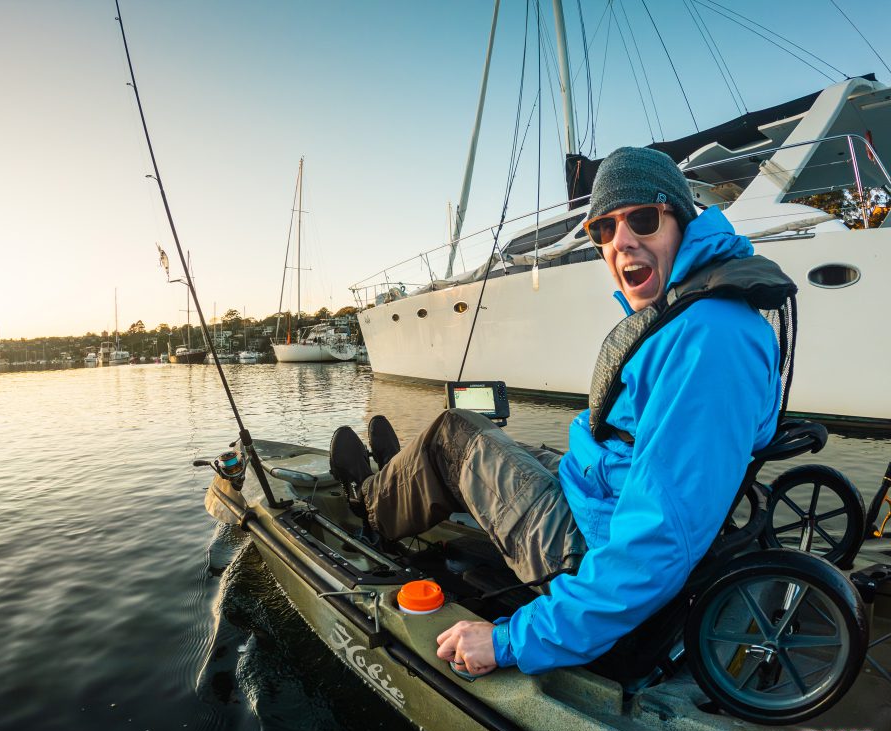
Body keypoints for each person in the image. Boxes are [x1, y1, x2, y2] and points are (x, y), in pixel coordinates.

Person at [330, 146, 796, 677]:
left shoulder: (708, 339)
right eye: (604, 228)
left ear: (682, 221)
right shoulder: (703, 310)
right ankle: (399, 474)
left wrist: (509, 641)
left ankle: (367, 504)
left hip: (591, 547)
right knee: (482, 436)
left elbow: (657, 543)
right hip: (597, 495)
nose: (622, 241)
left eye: (643, 218)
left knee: (452, 434)